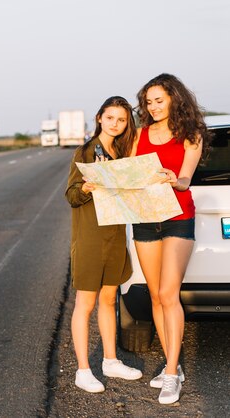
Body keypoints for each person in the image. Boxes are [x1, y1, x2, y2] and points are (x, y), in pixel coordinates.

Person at [131, 73, 209, 404]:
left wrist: (174, 179)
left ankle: (173, 372)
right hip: (146, 219)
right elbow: (130, 172)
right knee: (154, 295)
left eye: (159, 100)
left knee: (168, 293)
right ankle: (171, 366)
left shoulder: (190, 134)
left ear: (175, 98)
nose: (153, 106)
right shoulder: (139, 134)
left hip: (178, 216)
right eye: (148, 101)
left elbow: (186, 178)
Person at [65, 96, 142, 393]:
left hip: (114, 236)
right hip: (90, 237)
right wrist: (85, 186)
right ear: (99, 118)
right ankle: (83, 370)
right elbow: (71, 195)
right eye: (110, 118)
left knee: (109, 300)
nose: (116, 124)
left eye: (122, 120)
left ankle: (111, 360)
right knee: (85, 304)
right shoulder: (85, 152)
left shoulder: (122, 154)